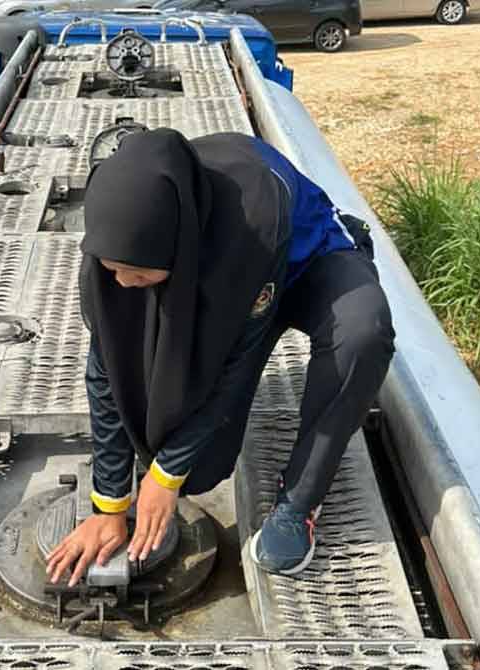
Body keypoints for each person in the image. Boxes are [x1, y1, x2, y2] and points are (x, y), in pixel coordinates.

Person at [46, 129, 395, 586]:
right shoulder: (118, 257)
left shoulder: (252, 218)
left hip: (300, 266)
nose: (124, 284)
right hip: (212, 277)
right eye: (115, 271)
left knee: (362, 331)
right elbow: (106, 375)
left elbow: (230, 369)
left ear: (177, 245)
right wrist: (109, 505)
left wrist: (165, 475)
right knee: (200, 469)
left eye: (136, 273)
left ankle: (299, 503)